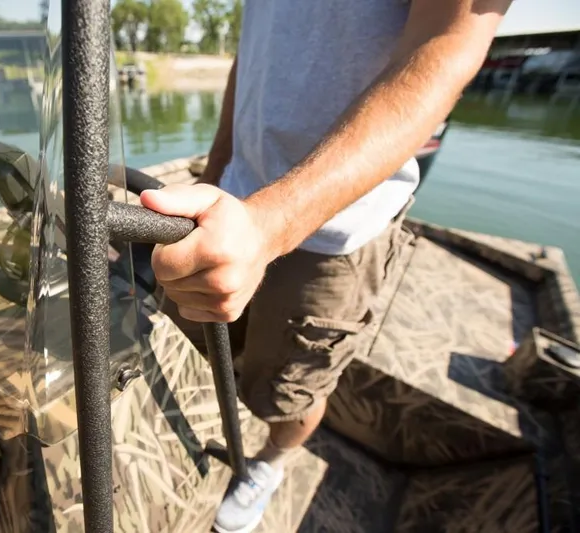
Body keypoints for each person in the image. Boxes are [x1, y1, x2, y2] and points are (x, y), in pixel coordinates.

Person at [140, 1, 513, 532]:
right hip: (237, 198)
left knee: (288, 394)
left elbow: (449, 41)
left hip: (339, 232)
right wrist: (218, 171)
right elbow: (251, 59)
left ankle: (271, 462)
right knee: (197, 342)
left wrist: (270, 224)